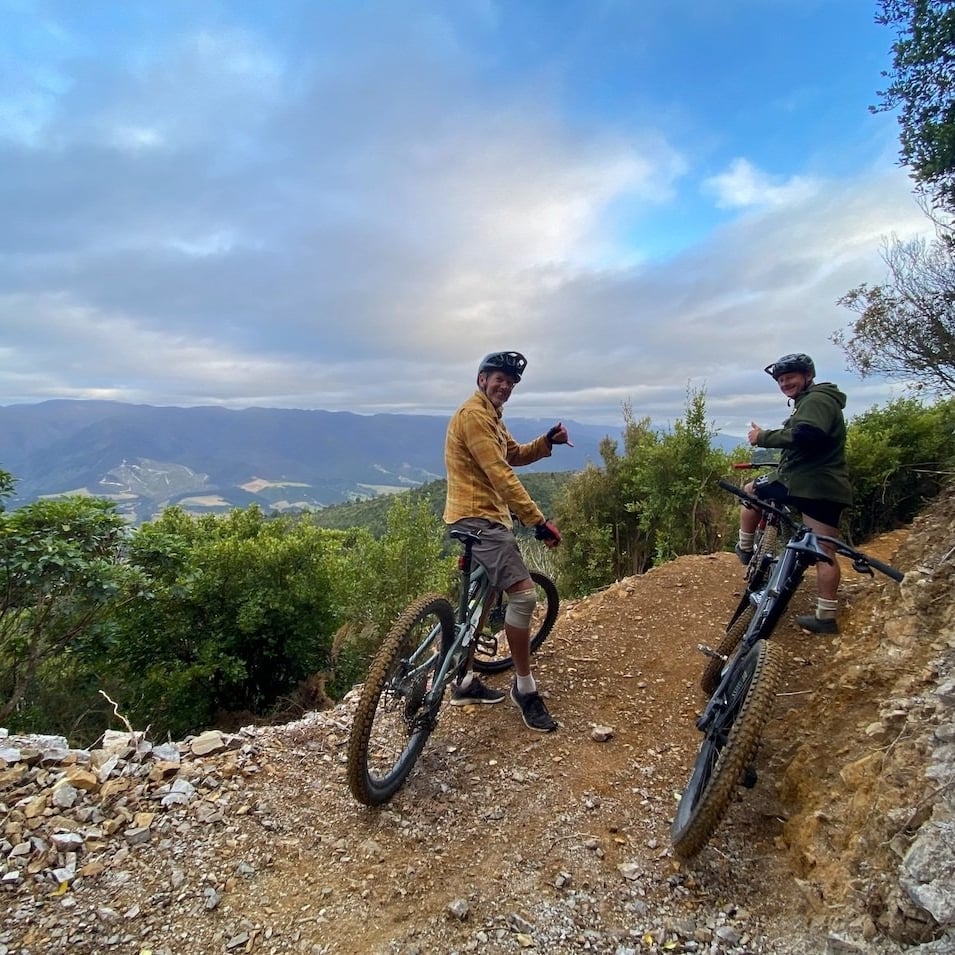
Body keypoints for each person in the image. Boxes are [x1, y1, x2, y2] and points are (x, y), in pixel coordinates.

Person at [443, 350, 571, 732]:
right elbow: (501, 474)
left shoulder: (490, 416)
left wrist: (546, 441)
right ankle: (525, 689)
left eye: (511, 382)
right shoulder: (475, 416)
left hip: (475, 517)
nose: (505, 386)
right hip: (481, 518)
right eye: (499, 378)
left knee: (485, 596)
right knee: (525, 595)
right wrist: (539, 522)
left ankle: (464, 681)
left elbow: (511, 454)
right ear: (482, 378)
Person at [737, 352, 853, 635]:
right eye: (781, 379)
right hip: (828, 488)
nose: (784, 383)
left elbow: (806, 435)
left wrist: (762, 437)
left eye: (790, 377)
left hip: (801, 484)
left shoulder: (816, 400)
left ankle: (745, 547)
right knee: (825, 550)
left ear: (807, 376)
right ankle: (825, 616)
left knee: (751, 491)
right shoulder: (820, 401)